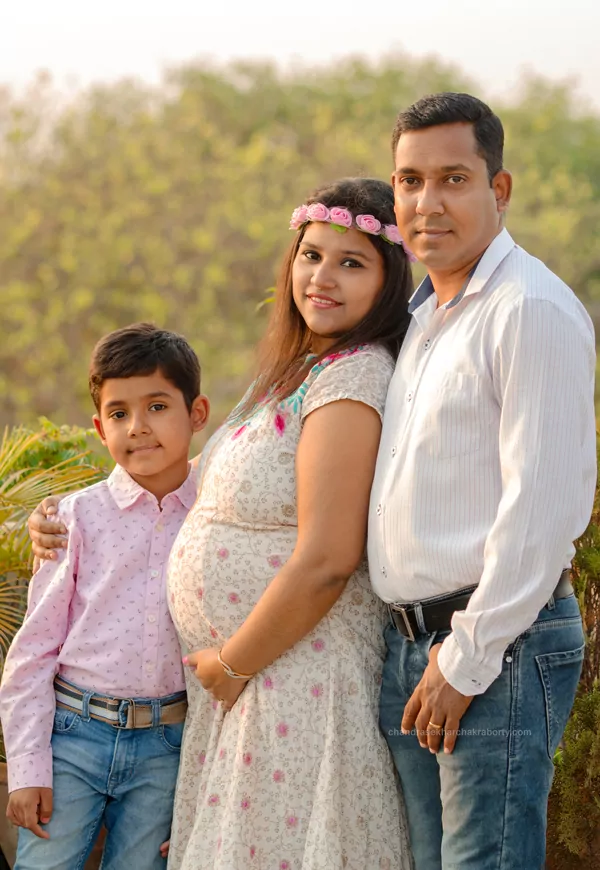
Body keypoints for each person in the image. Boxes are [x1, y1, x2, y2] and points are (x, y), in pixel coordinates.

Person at [28, 177, 416, 869]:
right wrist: (64, 514)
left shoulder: (353, 380)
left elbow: (328, 557)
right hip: (245, 689)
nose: (321, 277)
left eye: (351, 263)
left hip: (294, 680)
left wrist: (234, 664)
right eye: (311, 256)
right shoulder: (294, 370)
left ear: (387, 282)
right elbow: (179, 482)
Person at [369, 92, 596, 870]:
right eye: (408, 181)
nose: (426, 203)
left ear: (498, 191)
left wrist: (467, 659)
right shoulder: (423, 313)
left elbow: (543, 511)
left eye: (453, 179)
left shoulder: (527, 310)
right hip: (412, 644)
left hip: (495, 642)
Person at [0, 323, 210, 870]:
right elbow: (33, 652)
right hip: (73, 737)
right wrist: (27, 769)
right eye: (119, 414)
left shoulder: (216, 515)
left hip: (169, 745)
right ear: (99, 428)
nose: (138, 428)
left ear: (198, 413)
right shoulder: (74, 519)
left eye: (158, 406)